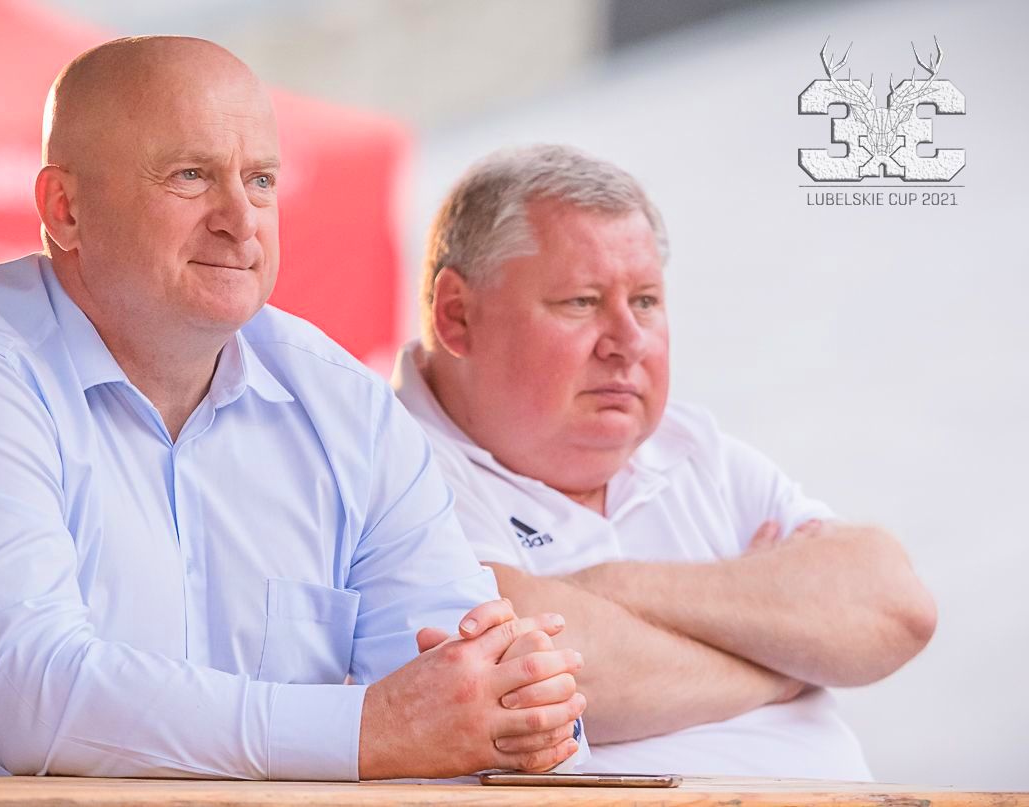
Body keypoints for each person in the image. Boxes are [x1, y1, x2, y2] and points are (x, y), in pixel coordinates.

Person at [0, 39, 588, 779]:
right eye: (190, 176)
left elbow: (461, 692)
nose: (240, 218)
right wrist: (374, 729)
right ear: (65, 209)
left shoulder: (343, 404)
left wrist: (518, 709)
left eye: (261, 180)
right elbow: (36, 696)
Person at [392, 144, 939, 779]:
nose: (628, 342)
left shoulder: (691, 449)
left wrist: (613, 587)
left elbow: (896, 608)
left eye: (646, 301)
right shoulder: (386, 468)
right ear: (458, 316)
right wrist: (782, 659)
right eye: (582, 301)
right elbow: (518, 674)